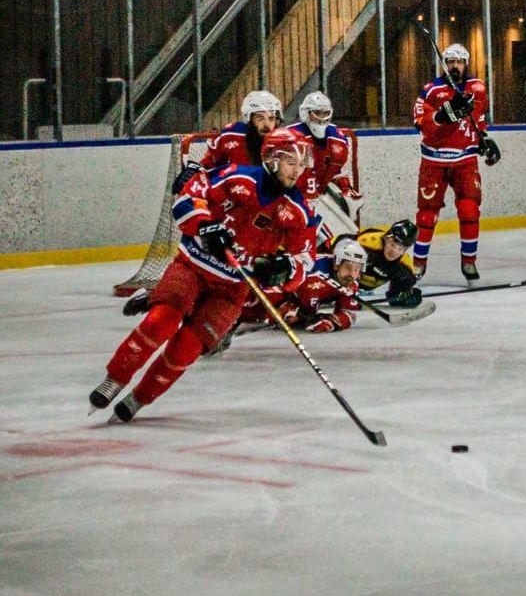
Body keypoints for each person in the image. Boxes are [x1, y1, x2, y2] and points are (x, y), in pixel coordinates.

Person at [90, 128, 317, 422]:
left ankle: (138, 398)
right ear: (272, 159)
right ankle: (115, 380)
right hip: (193, 266)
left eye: (301, 165)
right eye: (291, 163)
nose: (297, 171)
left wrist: (284, 269)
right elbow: (189, 196)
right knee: (162, 320)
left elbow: (305, 260)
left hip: (233, 288)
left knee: (187, 348)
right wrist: (204, 226)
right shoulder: (237, 177)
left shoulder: (299, 210)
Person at [412, 44, 500, 284]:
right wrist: (442, 115)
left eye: (459, 61)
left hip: (465, 160)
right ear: (444, 64)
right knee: (427, 216)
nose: (454, 66)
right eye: (450, 61)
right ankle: (418, 265)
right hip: (434, 160)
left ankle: (469, 262)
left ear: (466, 63)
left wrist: (484, 142)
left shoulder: (478, 88)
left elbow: (478, 121)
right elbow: (420, 123)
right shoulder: (431, 90)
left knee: (470, 210)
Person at [174, 90, 283, 191]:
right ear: (248, 119)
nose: (266, 125)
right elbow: (210, 164)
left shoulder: (284, 142)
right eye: (260, 118)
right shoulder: (231, 135)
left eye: (271, 118)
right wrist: (197, 174)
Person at [326, 220, 422, 308]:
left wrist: (406, 296)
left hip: (357, 284)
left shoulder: (404, 266)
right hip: (336, 269)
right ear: (386, 238)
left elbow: (394, 298)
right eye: (392, 244)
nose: (394, 251)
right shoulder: (368, 243)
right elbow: (337, 246)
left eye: (401, 248)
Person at [287, 91, 359, 205]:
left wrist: (346, 189)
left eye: (325, 113)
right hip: (291, 200)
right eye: (317, 113)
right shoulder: (290, 136)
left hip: (317, 200)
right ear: (306, 113)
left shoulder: (338, 138)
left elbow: (338, 173)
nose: (321, 118)